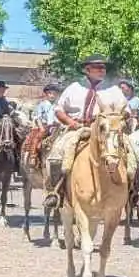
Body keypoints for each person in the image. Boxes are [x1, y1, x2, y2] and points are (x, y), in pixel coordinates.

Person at [48, 55, 130, 186]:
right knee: (56, 153)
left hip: (106, 131)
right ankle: (56, 192)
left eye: (104, 68)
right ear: (87, 70)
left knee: (133, 154)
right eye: (98, 67)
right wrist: (71, 123)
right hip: (77, 128)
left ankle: (133, 194)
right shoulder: (74, 88)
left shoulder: (114, 90)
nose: (102, 70)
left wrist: (116, 119)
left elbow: (127, 111)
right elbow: (59, 110)